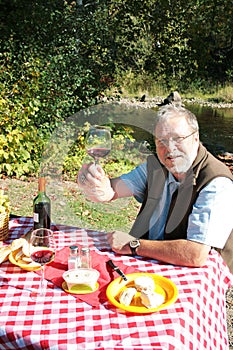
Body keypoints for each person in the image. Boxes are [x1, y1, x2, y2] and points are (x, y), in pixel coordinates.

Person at [77, 105, 233, 271]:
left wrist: (133, 245)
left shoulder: (216, 183)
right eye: (161, 141)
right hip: (150, 263)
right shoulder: (155, 167)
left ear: (196, 138)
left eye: (178, 139)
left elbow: (195, 255)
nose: (170, 148)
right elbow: (110, 191)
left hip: (198, 276)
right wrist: (89, 180)